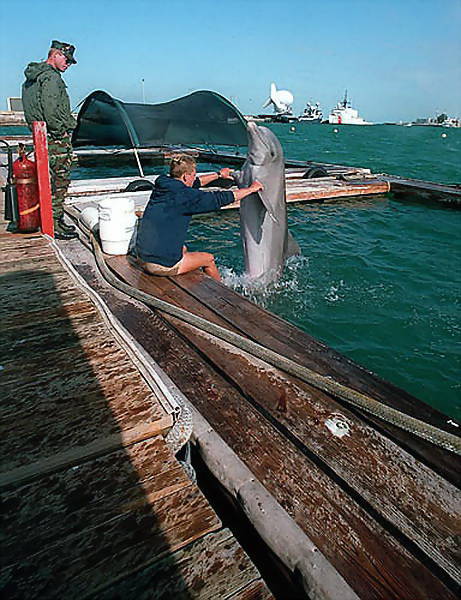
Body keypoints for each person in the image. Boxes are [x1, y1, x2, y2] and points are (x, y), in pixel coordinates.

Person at [136, 154, 263, 281]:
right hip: (160, 265)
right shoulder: (186, 197)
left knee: (183, 248)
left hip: (141, 256)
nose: (195, 178)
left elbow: (195, 183)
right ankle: (223, 293)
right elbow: (220, 199)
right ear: (186, 176)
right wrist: (251, 189)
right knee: (208, 259)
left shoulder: (163, 184)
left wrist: (218, 175)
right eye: (193, 175)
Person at [22, 40, 78, 240]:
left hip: (41, 137)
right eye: (66, 59)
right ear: (55, 54)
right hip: (55, 139)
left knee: (48, 180)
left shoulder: (33, 77)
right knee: (59, 182)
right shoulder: (51, 78)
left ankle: (54, 219)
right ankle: (54, 222)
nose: (68, 64)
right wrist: (63, 129)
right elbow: (52, 111)